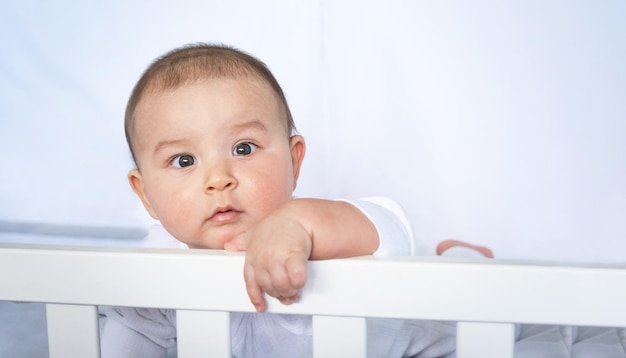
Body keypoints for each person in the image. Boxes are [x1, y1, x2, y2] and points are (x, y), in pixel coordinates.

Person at [101, 42, 486, 358]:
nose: (218, 179)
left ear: (294, 160)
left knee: (470, 290)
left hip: (431, 334)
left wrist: (299, 223)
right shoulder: (156, 266)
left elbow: (390, 225)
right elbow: (136, 331)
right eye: (183, 160)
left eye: (244, 147)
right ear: (146, 194)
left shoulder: (311, 229)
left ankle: (463, 257)